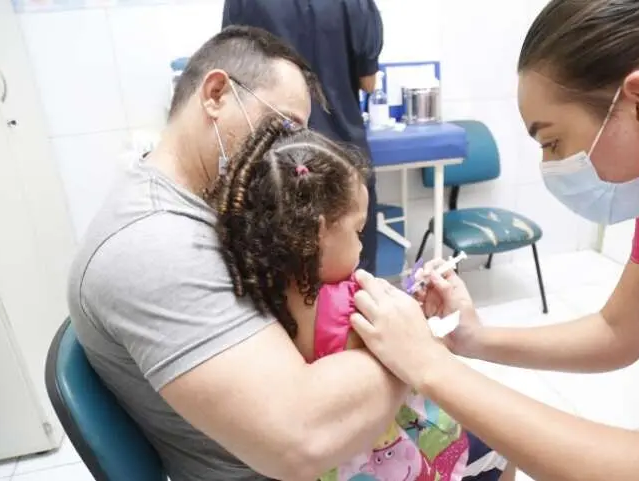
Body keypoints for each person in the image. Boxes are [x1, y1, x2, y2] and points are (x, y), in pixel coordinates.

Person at [338, 1, 639, 480]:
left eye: (552, 142)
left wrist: (428, 366)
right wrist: (476, 338)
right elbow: (619, 331)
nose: (551, 166)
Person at [68, 26, 409, 481]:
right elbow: (303, 438)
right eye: (286, 125)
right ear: (216, 94)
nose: (290, 149)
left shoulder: (214, 208)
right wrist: (417, 350)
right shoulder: (152, 246)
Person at [206, 115, 513, 481]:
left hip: (334, 464)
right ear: (316, 234)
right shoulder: (346, 303)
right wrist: (421, 312)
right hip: (383, 452)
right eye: (357, 230)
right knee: (498, 447)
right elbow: (403, 342)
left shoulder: (256, 290)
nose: (361, 246)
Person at [222, 0, 383, 274]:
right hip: (341, 161)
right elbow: (369, 82)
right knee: (353, 284)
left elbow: (236, 77)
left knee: (282, 283)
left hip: (276, 166)